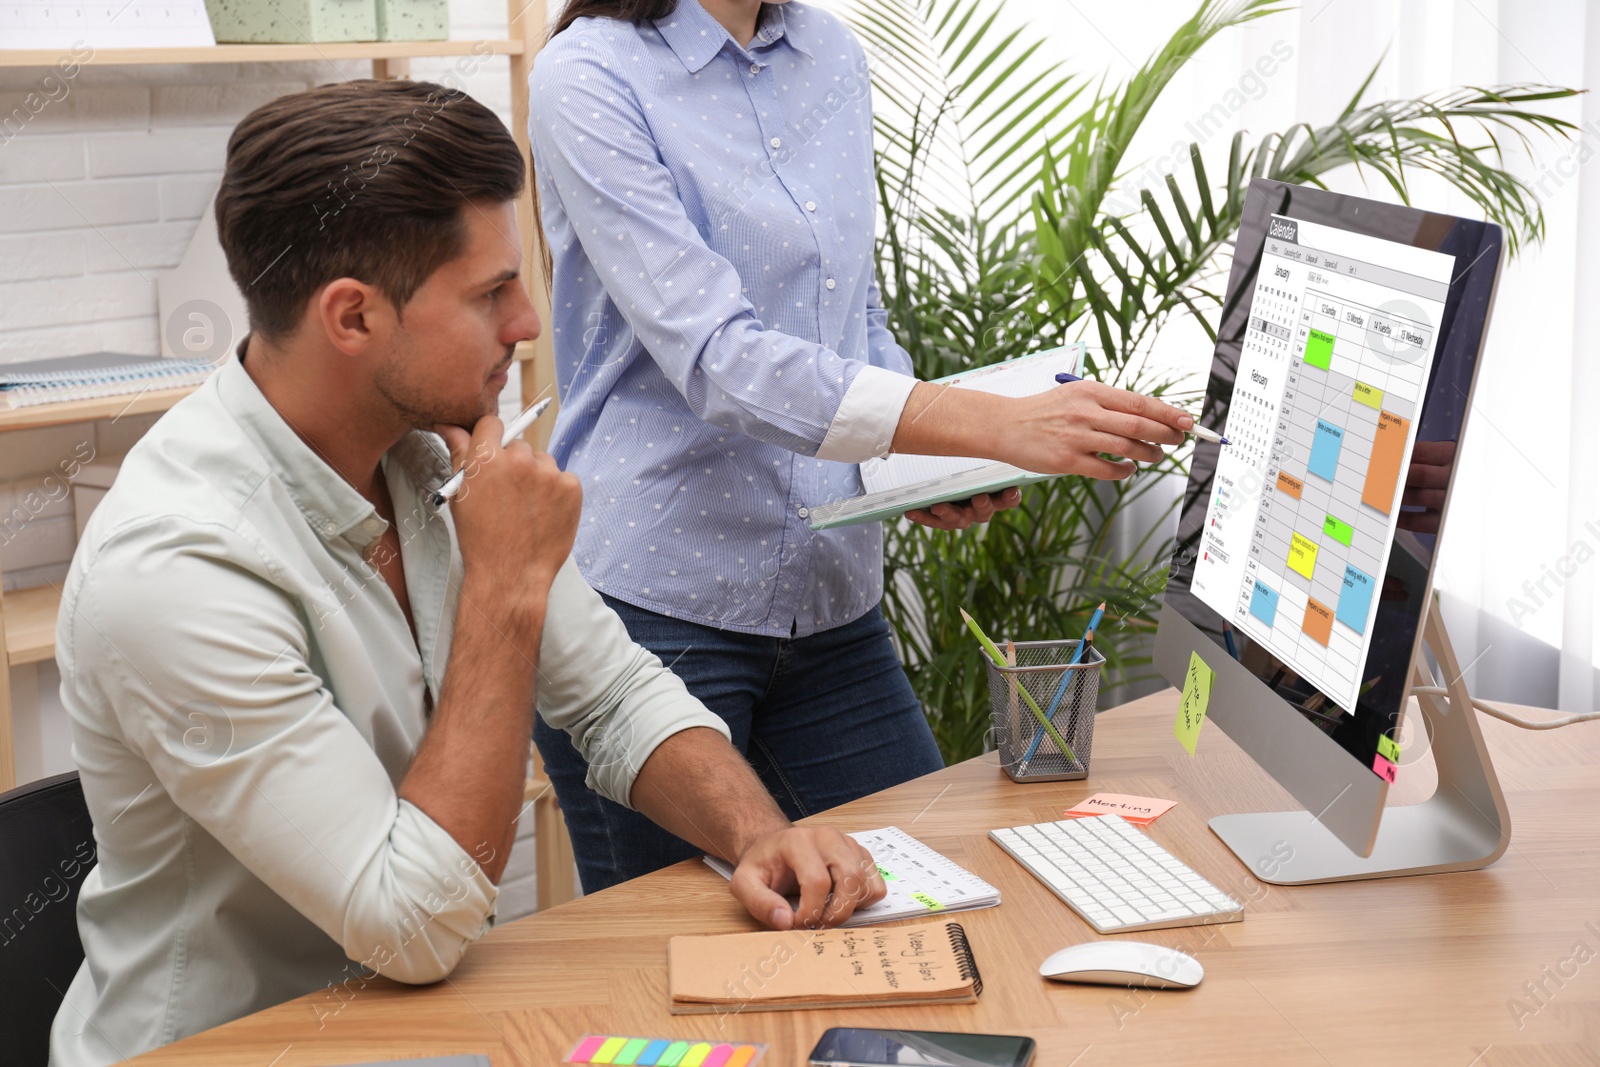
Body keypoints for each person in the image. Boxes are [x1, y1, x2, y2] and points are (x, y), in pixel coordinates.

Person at [48, 79, 883, 1067]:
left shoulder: (426, 453)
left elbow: (613, 699)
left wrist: (754, 833)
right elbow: (411, 922)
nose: (529, 323)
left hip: (422, 1027)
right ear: (352, 317)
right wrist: (504, 586)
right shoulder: (175, 569)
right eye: (492, 293)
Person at [528, 0, 1196, 893]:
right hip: (653, 615)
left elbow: (853, 310)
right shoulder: (590, 75)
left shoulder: (828, 54)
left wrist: (918, 468)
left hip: (830, 598)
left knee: (930, 899)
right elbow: (719, 360)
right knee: (683, 974)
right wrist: (989, 422)